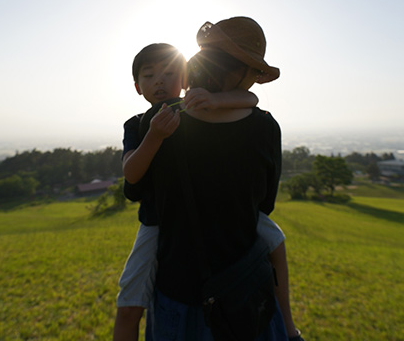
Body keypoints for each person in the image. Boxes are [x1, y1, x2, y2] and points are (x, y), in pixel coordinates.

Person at [142, 17, 303, 341]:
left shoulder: (161, 119)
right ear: (245, 73)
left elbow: (143, 193)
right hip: (242, 296)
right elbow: (264, 205)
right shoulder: (265, 129)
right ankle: (290, 328)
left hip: (176, 294)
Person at [114, 43, 266, 341]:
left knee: (274, 241)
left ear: (185, 80)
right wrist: (155, 136)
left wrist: (215, 100)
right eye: (149, 75)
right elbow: (131, 174)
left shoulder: (197, 109)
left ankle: (287, 327)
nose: (159, 80)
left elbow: (251, 97)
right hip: (157, 223)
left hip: (209, 218)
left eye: (169, 72)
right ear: (137, 86)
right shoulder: (136, 125)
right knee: (129, 302)